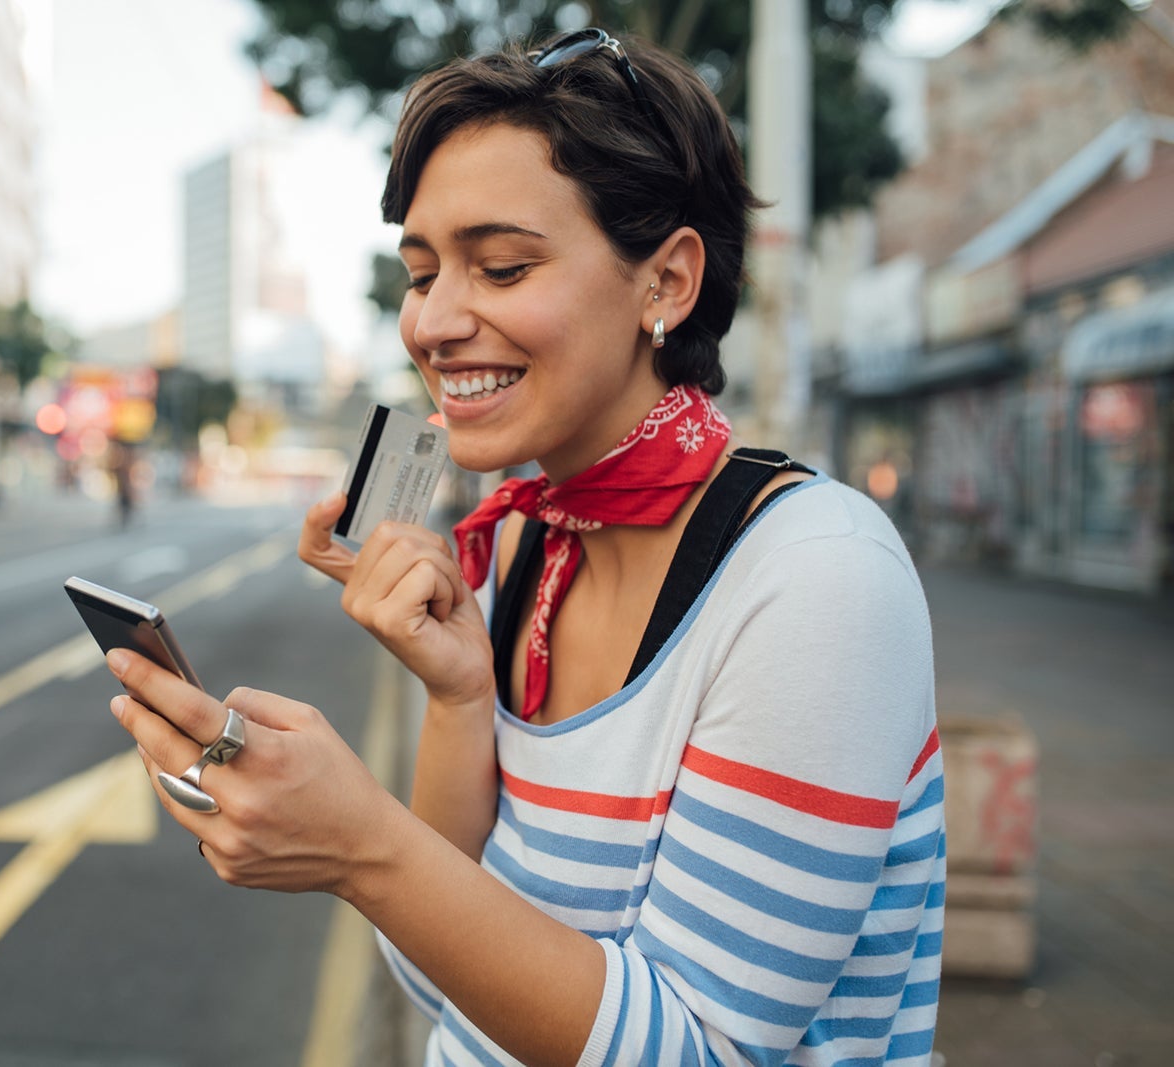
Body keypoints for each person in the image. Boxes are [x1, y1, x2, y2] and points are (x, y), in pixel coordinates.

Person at [106, 27, 943, 1067]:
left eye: (500, 266)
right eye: (421, 272)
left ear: (667, 283)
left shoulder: (815, 576)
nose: (433, 322)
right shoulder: (515, 556)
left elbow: (706, 1050)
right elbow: (444, 979)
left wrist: (363, 847)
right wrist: (460, 699)